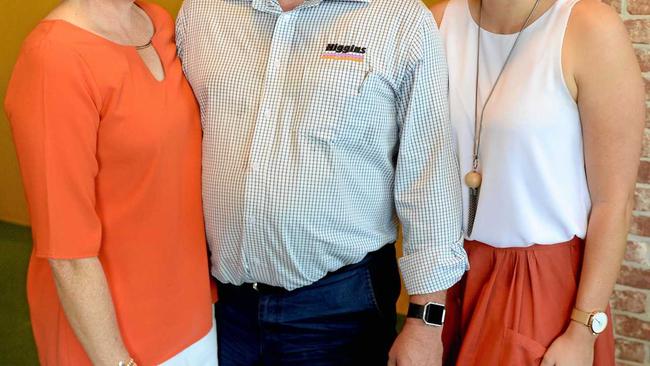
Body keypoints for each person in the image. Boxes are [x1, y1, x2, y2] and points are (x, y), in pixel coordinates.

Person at [176, 0, 468, 364]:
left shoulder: (400, 20)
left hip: (339, 311)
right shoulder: (202, 11)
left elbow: (428, 180)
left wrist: (426, 323)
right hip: (221, 307)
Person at [429, 0, 645, 364]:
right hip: (446, 274)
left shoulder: (588, 28)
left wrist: (582, 329)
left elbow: (614, 203)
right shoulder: (437, 21)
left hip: (540, 285)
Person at [5, 1, 217, 364]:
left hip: (192, 315)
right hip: (109, 335)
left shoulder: (156, 22)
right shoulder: (54, 57)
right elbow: (68, 253)